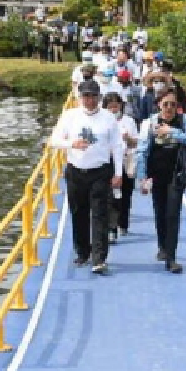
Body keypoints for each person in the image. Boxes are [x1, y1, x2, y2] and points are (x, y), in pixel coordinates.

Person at [50, 77, 126, 273]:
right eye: (86, 97)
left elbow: (117, 146)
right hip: (76, 171)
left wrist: (118, 173)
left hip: (100, 172)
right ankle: (83, 251)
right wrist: (71, 144)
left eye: (93, 97)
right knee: (78, 213)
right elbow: (54, 140)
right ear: (80, 97)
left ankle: (99, 258)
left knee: (100, 214)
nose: (90, 101)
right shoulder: (70, 116)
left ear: (99, 97)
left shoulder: (108, 117)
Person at [136, 91, 186, 274]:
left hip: (176, 175)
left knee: (173, 215)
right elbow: (142, 151)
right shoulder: (149, 124)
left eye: (173, 104)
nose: (170, 108)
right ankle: (162, 247)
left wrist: (172, 132)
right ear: (159, 105)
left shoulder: (183, 121)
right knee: (160, 213)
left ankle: (171, 258)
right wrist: (142, 177)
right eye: (166, 104)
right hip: (156, 175)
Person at [103, 90, 140, 237]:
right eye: (110, 107)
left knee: (126, 194)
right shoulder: (102, 122)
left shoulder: (128, 121)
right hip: (109, 162)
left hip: (126, 160)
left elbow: (136, 143)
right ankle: (112, 227)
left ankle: (123, 223)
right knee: (111, 195)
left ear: (121, 106)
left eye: (116, 106)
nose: (113, 110)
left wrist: (127, 138)